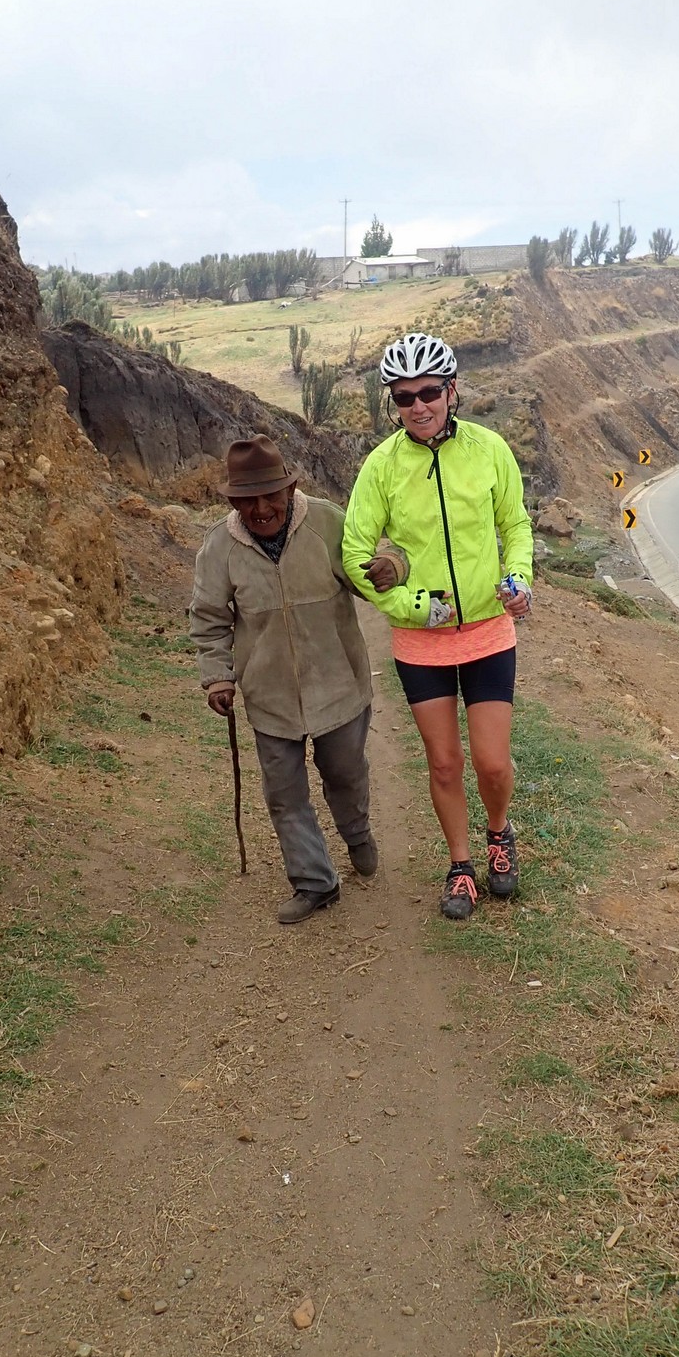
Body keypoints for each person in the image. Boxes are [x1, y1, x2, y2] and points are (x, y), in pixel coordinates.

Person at [342, 333, 533, 921]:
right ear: (393, 403)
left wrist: (519, 577)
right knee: (445, 763)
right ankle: (460, 865)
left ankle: (499, 833)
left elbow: (516, 525)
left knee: (492, 763)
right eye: (404, 398)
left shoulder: (489, 449)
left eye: (428, 392)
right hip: (421, 642)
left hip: (488, 631)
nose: (418, 406)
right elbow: (354, 555)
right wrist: (411, 607)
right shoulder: (382, 467)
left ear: (452, 391)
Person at [190, 435, 403, 924]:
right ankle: (314, 882)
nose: (261, 509)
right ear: (233, 501)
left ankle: (357, 834)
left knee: (345, 775)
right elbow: (208, 617)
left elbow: (378, 557)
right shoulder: (220, 546)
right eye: (248, 500)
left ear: (290, 489)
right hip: (270, 697)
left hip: (339, 686)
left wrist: (392, 566)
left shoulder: (327, 522)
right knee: (284, 795)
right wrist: (218, 676)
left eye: (271, 496)